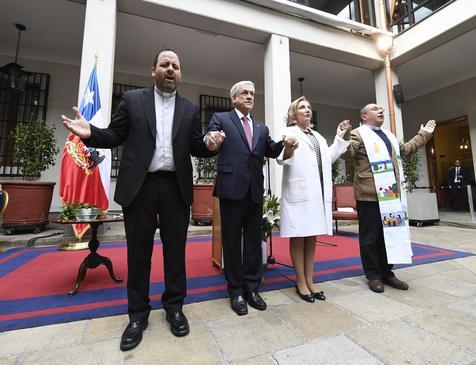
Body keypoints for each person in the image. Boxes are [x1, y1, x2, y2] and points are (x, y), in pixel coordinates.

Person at [61, 48, 217, 351]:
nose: (170, 69)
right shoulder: (133, 100)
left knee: (175, 253)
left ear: (180, 73)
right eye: (165, 64)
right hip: (140, 187)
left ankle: (174, 307)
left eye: (176, 65)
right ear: (153, 70)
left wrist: (211, 144)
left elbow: (197, 146)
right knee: (138, 254)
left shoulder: (189, 109)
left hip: (175, 188)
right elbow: (114, 136)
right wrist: (89, 133)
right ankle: (137, 315)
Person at [205, 80, 297, 316]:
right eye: (244, 93)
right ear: (234, 98)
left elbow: (272, 150)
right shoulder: (222, 118)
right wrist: (213, 139)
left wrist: (286, 144)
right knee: (232, 242)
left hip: (255, 191)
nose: (249, 96)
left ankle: (252, 288)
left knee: (255, 241)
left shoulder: (261, 128)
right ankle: (235, 290)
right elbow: (210, 139)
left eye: (252, 94)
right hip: (231, 189)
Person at [341, 103, 435, 293]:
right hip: (369, 195)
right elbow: (347, 154)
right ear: (364, 116)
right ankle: (373, 275)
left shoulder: (390, 136)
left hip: (391, 195)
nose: (380, 110)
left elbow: (406, 150)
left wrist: (424, 134)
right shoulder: (358, 134)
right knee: (370, 237)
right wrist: (343, 135)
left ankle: (387, 273)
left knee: (390, 234)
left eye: (381, 109)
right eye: (375, 109)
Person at [277, 96, 351, 303]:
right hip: (299, 191)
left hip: (317, 191)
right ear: (294, 113)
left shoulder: (317, 136)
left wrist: (339, 137)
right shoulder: (287, 132)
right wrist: (289, 147)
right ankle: (300, 281)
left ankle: (310, 279)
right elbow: (281, 157)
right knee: (299, 236)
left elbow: (328, 158)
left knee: (311, 237)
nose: (307, 110)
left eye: (309, 107)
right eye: (302, 107)